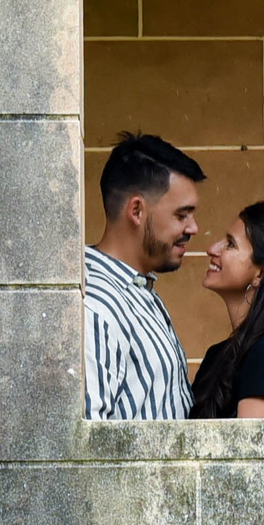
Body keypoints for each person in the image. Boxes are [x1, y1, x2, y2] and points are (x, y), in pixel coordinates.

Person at [84, 132, 203, 420]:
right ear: (137, 210)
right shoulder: (96, 305)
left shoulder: (136, 289)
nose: (194, 228)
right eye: (181, 215)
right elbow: (88, 449)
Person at [189, 199, 264, 419]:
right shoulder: (218, 355)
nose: (212, 249)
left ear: (260, 274)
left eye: (230, 244)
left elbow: (258, 451)